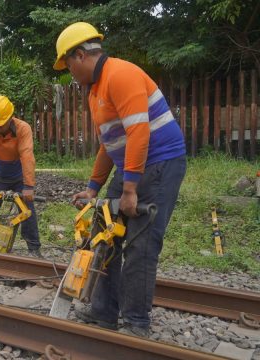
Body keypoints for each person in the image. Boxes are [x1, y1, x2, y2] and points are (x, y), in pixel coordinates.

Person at [54, 22, 187, 337]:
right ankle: (104, 312)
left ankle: (136, 323)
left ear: (80, 54)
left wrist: (129, 189)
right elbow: (108, 143)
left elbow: (139, 132)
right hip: (132, 165)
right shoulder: (95, 91)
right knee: (104, 233)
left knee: (141, 243)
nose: (69, 72)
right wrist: (92, 188)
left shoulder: (121, 74)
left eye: (68, 64)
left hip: (161, 163)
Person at [0, 95, 42, 257]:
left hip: (19, 176)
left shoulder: (23, 128)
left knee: (27, 211)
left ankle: (34, 249)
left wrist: (28, 186)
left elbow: (27, 156)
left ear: (11, 118)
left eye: (0, 125)